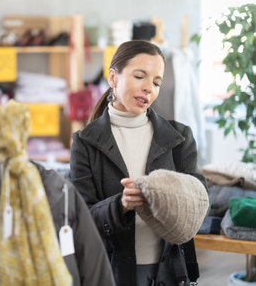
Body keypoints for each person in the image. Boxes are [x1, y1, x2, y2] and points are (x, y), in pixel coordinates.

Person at [68, 40, 207, 286]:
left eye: (156, 83)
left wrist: (168, 194)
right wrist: (120, 205)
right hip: (112, 272)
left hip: (171, 272)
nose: (148, 89)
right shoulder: (86, 142)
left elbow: (199, 199)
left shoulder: (179, 137)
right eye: (140, 76)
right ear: (113, 77)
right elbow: (80, 218)